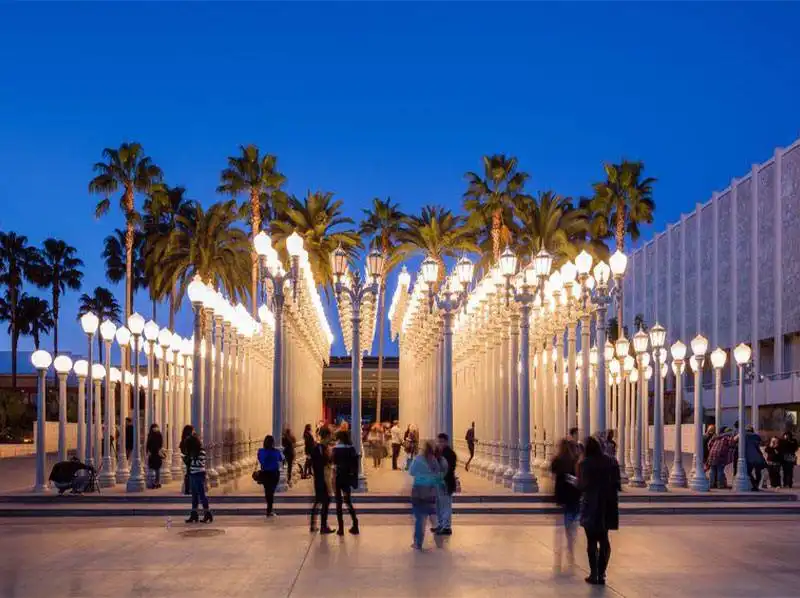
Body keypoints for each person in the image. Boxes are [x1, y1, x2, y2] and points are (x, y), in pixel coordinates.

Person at [578, 436, 620, 586]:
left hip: (591, 504)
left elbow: (582, 485)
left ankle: (594, 573)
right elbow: (617, 483)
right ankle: (602, 574)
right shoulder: (611, 461)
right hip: (607, 504)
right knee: (604, 539)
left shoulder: (585, 463)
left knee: (591, 541)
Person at [409, 440, 446, 550]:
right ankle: (439, 541)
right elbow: (438, 475)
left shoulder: (418, 459)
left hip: (418, 491)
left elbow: (411, 472)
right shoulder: (433, 460)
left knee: (420, 519)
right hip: (431, 492)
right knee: (434, 518)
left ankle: (418, 543)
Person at [551, 438, 581, 571]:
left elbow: (553, 475)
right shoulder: (574, 461)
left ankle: (558, 555)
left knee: (559, 528)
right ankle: (570, 552)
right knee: (571, 528)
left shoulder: (557, 461)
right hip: (573, 496)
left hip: (561, 496)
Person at [332, 430, 360, 535]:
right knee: (348, 501)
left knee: (338, 503)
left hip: (338, 477)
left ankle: (341, 528)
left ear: (339, 438)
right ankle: (355, 524)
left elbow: (333, 463)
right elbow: (355, 464)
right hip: (347, 477)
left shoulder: (336, 449)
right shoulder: (351, 449)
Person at [183, 430, 213, 523]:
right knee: (194, 496)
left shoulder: (201, 451)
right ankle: (194, 514)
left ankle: (207, 513)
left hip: (199, 474)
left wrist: (191, 458)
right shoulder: (193, 452)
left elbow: (199, 463)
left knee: (202, 495)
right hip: (193, 474)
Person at [310, 426, 334, 534]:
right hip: (322, 478)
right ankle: (323, 526)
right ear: (327, 436)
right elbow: (323, 463)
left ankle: (314, 524)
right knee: (325, 501)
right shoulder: (320, 448)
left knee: (319, 501)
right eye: (330, 436)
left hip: (320, 478)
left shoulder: (320, 447)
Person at [434, 433, 457, 536]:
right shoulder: (438, 453)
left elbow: (450, 469)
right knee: (439, 505)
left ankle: (447, 527)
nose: (440, 444)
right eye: (438, 441)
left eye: (442, 442)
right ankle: (440, 524)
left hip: (446, 482)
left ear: (446, 442)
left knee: (446, 505)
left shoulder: (450, 454)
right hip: (438, 482)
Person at [258, 435, 284, 517]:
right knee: (271, 491)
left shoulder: (261, 451)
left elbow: (260, 460)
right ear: (272, 443)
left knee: (267, 491)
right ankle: (269, 510)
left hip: (265, 473)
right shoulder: (276, 451)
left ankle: (269, 510)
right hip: (274, 474)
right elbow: (281, 459)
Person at [743, 425, 766, 491]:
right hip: (758, 457)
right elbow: (760, 444)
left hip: (749, 457)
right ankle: (756, 484)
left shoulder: (745, 436)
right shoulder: (756, 436)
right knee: (758, 472)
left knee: (748, 472)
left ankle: (754, 484)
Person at [146, 423, 164, 489]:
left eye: (156, 427)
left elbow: (160, 444)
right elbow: (148, 444)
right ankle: (154, 482)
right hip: (153, 453)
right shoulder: (151, 435)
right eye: (154, 427)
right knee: (153, 468)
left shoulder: (158, 434)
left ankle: (157, 482)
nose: (155, 428)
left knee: (157, 468)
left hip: (156, 453)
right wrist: (148, 451)